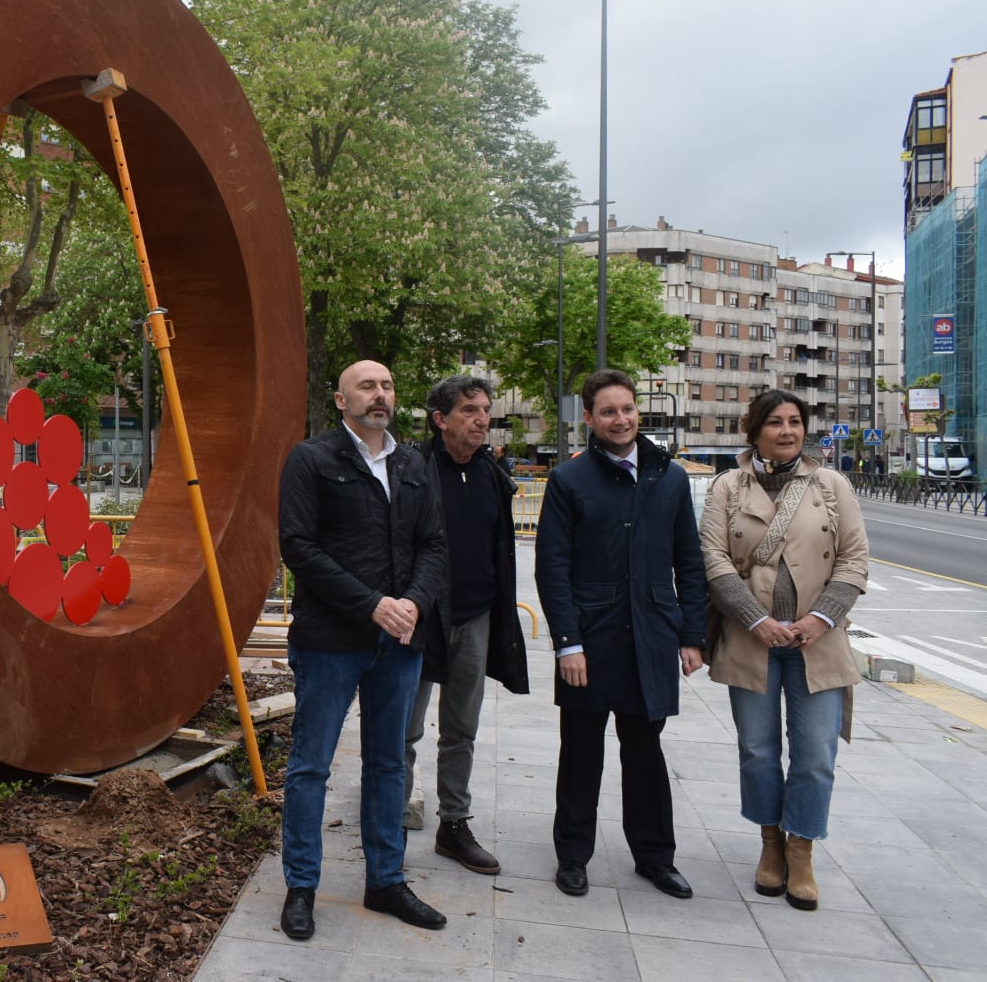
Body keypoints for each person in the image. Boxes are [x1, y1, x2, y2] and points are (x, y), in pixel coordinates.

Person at [277, 359, 448, 940]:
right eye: (367, 387)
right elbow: (298, 546)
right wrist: (372, 603)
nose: (380, 395)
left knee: (387, 763)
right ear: (340, 400)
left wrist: (415, 604)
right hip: (331, 642)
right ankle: (302, 886)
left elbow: (434, 544)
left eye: (387, 386)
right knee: (310, 767)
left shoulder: (413, 463)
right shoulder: (312, 459)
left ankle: (386, 881)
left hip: (400, 642)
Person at [535, 369, 707, 899]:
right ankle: (572, 855)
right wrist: (568, 641)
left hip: (651, 637)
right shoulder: (570, 480)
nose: (621, 419)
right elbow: (552, 567)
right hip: (591, 639)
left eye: (627, 409)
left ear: (638, 411)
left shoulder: (669, 477)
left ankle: (655, 857)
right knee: (581, 751)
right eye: (608, 411)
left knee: (645, 750)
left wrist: (692, 635)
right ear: (589, 417)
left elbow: (690, 562)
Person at [699, 389, 867, 911]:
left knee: (817, 754)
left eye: (796, 422)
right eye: (776, 422)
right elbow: (713, 559)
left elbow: (855, 559)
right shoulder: (727, 487)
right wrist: (756, 620)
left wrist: (820, 619)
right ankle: (770, 844)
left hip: (819, 642)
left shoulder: (831, 484)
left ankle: (803, 849)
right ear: (754, 430)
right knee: (758, 751)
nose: (788, 431)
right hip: (754, 642)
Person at [401, 375, 529, 874]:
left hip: (474, 619)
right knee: (403, 730)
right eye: (470, 411)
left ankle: (453, 824)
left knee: (462, 729)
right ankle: (390, 817)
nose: (482, 420)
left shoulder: (491, 475)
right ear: (441, 419)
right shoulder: (411, 470)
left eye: (485, 411)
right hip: (418, 619)